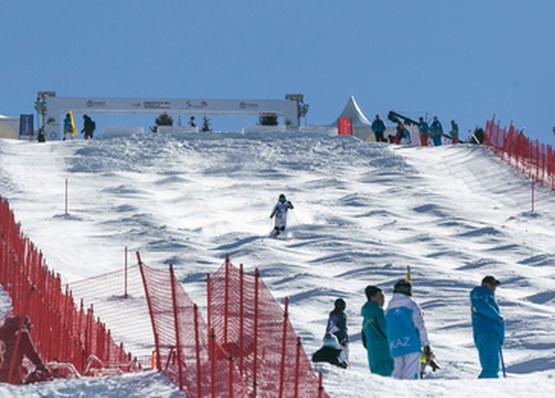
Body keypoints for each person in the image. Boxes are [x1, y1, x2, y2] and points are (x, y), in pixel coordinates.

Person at [385, 279, 432, 379]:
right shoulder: (411, 305)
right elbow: (420, 325)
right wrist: (426, 344)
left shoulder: (389, 308)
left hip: (395, 344)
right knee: (411, 372)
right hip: (411, 343)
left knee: (398, 371)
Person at [470, 275, 505, 378]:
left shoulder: (488, 297)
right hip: (487, 333)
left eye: (495, 285)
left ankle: (485, 387)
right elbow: (482, 307)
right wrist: (498, 317)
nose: (494, 288)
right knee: (491, 366)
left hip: (490, 333)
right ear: (485, 284)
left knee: (491, 365)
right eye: (492, 285)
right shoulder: (480, 294)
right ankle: (486, 389)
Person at [0, 315, 50, 384]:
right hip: (10, 372)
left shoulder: (3, 330)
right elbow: (31, 353)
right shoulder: (21, 332)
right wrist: (41, 367)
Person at [361, 286, 393, 376]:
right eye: (381, 297)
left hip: (374, 361)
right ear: (372, 297)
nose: (383, 300)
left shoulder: (365, 318)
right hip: (387, 357)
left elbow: (365, 341)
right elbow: (387, 330)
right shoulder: (378, 311)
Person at [312, 298, 349, 368]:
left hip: (330, 338)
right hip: (339, 339)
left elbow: (329, 327)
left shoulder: (332, 314)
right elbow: (342, 328)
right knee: (341, 357)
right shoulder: (341, 315)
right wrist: (343, 338)